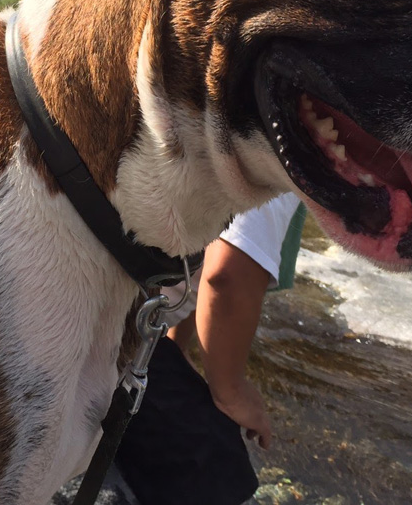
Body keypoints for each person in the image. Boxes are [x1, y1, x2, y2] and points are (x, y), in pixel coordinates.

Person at [113, 193, 305, 505]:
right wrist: (231, 391)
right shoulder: (278, 173)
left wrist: (178, 343)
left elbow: (195, 265)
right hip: (106, 330)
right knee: (217, 471)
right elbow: (226, 276)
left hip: (112, 313)